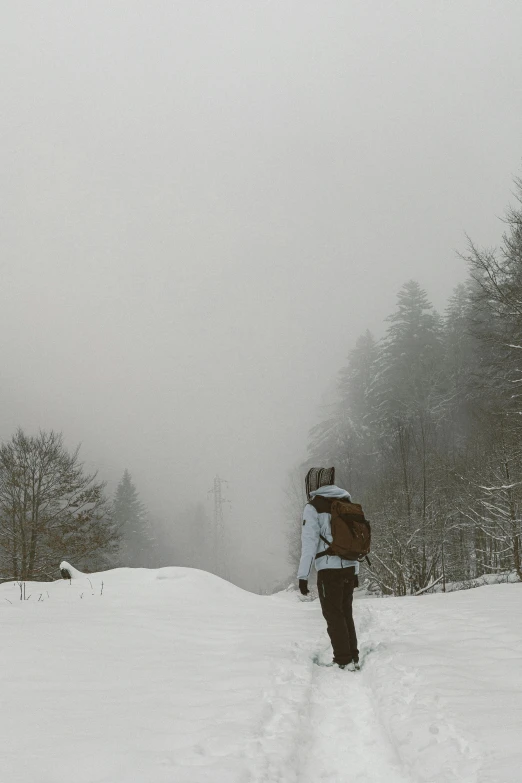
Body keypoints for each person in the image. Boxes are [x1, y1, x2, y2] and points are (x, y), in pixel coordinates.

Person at [297, 467, 360, 671]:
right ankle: (353, 656)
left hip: (329, 570)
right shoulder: (345, 502)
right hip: (349, 567)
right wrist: (356, 570)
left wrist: (303, 576)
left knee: (333, 615)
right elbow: (353, 541)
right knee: (345, 612)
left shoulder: (313, 507)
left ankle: (343, 660)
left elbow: (309, 543)